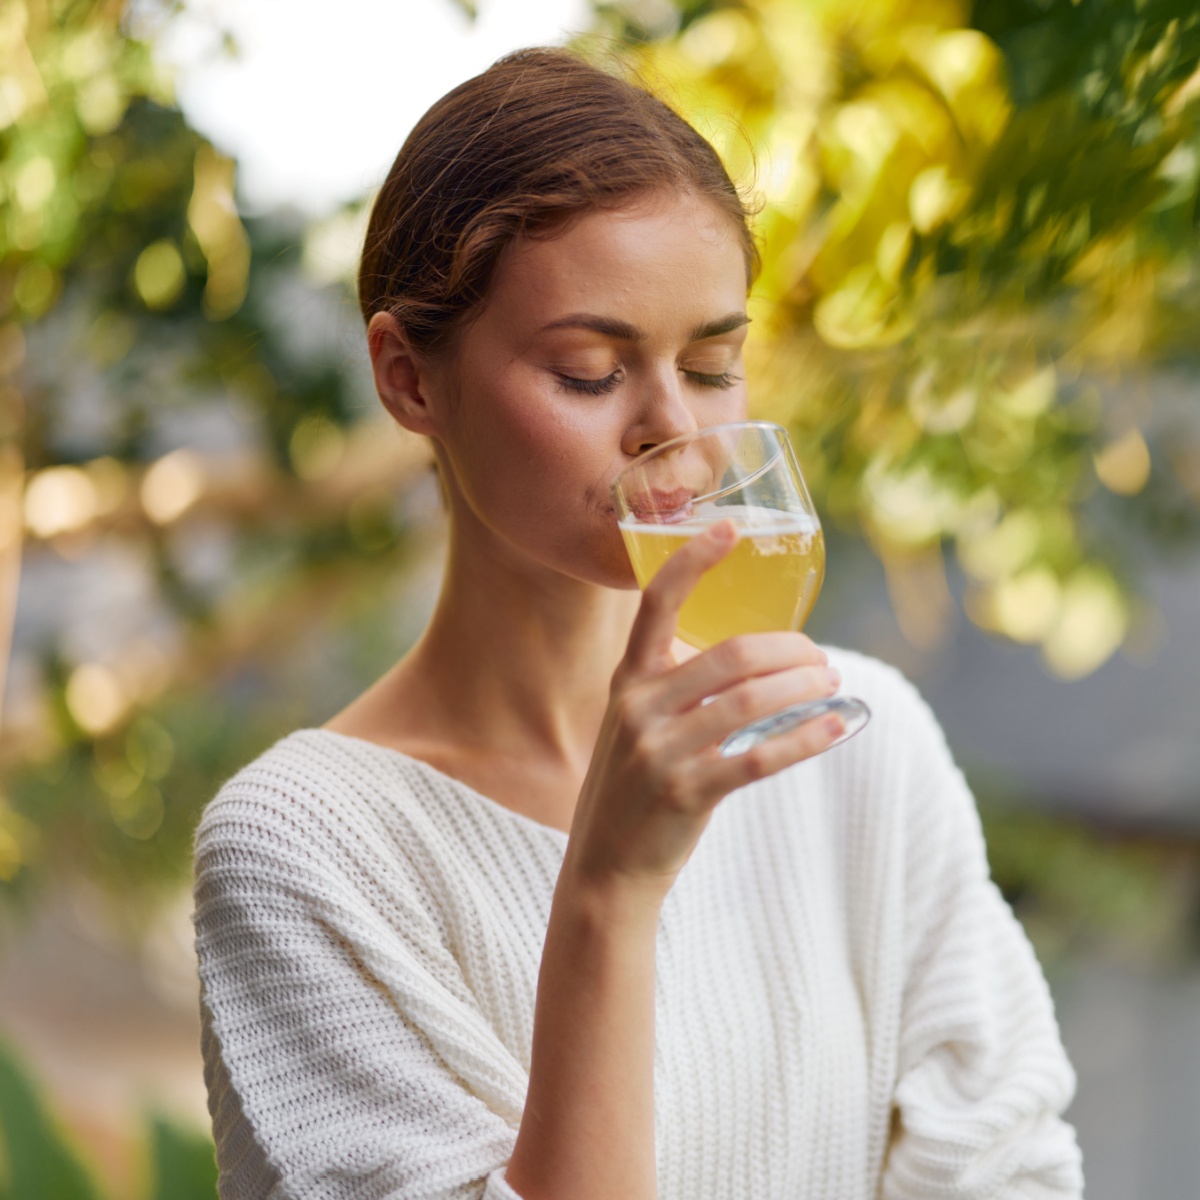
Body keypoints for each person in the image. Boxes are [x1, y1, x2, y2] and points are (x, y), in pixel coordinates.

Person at [192, 48, 1084, 1200]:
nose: (676, 435)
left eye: (713, 366)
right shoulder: (305, 848)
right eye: (586, 371)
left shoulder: (863, 748)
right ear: (410, 378)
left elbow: (1014, 1173)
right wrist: (607, 899)